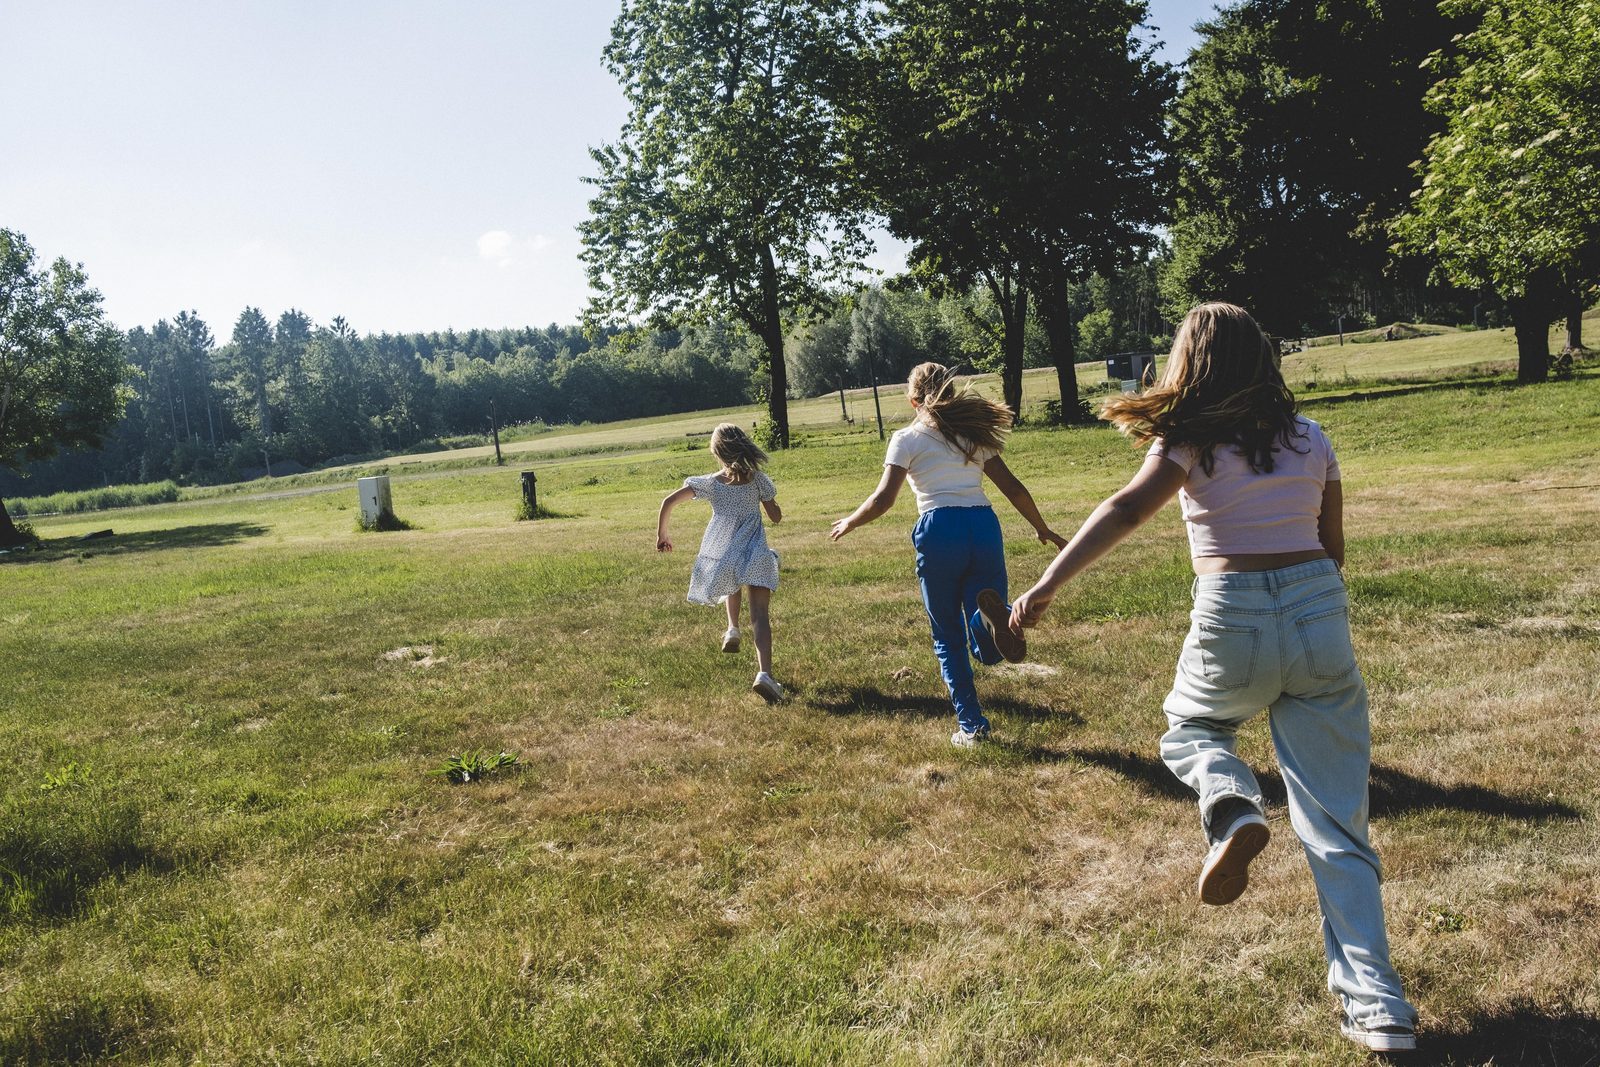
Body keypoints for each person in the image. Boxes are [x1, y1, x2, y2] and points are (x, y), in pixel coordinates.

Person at [1008, 302, 1418, 1053]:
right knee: (1337, 822)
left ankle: (1231, 804)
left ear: (1187, 362)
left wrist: (1043, 587)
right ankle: (1380, 1006)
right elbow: (1332, 549)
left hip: (1232, 612)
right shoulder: (1312, 437)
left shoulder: (1188, 437)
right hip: (1318, 608)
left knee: (1192, 729)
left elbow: (1128, 507)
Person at [830, 362, 1065, 748]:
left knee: (946, 636)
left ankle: (972, 727)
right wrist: (1041, 527)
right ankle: (985, 621)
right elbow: (1014, 487)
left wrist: (852, 522)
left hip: (939, 529)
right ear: (952, 394)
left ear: (912, 400)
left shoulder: (907, 438)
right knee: (987, 646)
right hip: (984, 526)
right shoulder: (973, 435)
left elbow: (883, 499)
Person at [657, 423, 785, 701]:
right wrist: (772, 506)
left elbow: (669, 501)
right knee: (760, 616)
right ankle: (765, 674)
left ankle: (732, 629)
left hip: (726, 555)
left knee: (731, 581)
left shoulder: (712, 485)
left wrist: (663, 534)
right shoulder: (759, 480)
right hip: (757, 554)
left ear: (717, 452)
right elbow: (775, 517)